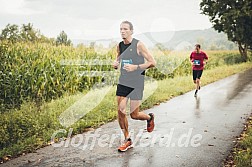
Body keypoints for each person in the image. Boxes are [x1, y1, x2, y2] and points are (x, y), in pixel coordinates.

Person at [113, 21, 156, 152]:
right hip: (123, 82)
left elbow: (152, 62)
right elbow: (119, 58)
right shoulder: (119, 45)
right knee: (120, 110)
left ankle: (150, 118)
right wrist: (116, 63)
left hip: (137, 83)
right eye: (120, 29)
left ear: (131, 31)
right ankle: (127, 139)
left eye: (125, 29)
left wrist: (135, 67)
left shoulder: (139, 45)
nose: (122, 31)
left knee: (134, 114)